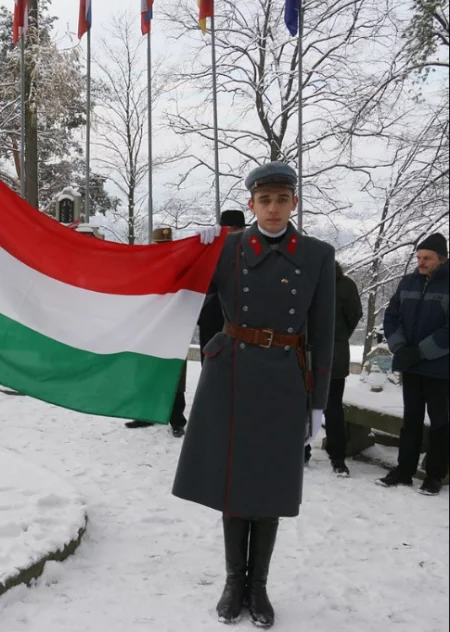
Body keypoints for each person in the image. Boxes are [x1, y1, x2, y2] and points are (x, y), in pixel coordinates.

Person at [172, 161, 335, 628]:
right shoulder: (227, 250)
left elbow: (323, 333)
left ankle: (258, 585)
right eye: (264, 200)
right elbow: (178, 289)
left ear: (294, 203)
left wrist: (319, 401)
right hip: (231, 374)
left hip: (285, 378)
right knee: (233, 481)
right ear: (251, 204)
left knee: (271, 483)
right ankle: (232, 581)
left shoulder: (319, 255)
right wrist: (190, 250)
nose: (273, 208)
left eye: (282, 199)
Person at [378, 232, 448, 496]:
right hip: (411, 364)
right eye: (419, 257)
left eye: (427, 258)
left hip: (440, 369)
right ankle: (403, 471)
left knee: (440, 423)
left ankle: (434, 476)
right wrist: (400, 347)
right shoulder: (408, 282)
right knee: (411, 421)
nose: (421, 262)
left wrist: (420, 352)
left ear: (442, 259)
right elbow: (392, 316)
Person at [125, 226, 189, 436]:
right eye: (160, 245)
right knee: (146, 371)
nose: (164, 248)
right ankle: (146, 415)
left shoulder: (182, 267)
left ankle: (177, 421)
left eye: (167, 244)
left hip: (175, 327)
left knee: (176, 375)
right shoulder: (147, 268)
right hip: (152, 327)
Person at [324, 261, 363, 477]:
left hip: (335, 354)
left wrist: (339, 337)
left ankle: (337, 456)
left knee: (333, 407)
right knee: (301, 404)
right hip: (304, 352)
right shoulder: (305, 279)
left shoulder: (345, 286)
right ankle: (301, 450)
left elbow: (354, 315)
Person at [198, 210, 248, 359]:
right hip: (213, 317)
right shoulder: (211, 250)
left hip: (242, 321)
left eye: (238, 230)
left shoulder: (249, 251)